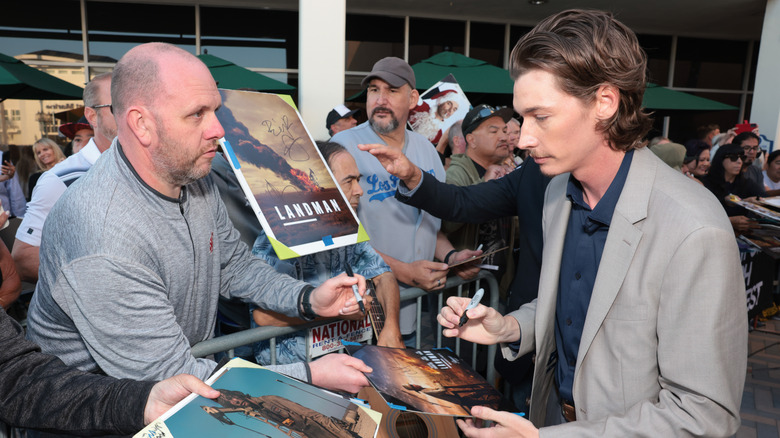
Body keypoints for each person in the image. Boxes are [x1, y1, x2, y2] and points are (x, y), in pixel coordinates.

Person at [360, 9, 746, 436]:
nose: (522, 139)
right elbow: (577, 306)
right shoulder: (559, 192)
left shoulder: (694, 230)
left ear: (605, 102)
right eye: (523, 119)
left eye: (540, 117)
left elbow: (703, 416)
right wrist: (510, 326)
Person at [25, 43, 370, 396]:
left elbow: (234, 266)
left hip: (172, 387)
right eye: (197, 114)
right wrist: (309, 376)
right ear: (141, 124)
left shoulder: (191, 173)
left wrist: (308, 299)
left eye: (216, 111)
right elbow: (174, 376)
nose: (219, 129)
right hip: (97, 414)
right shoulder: (103, 234)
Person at [331, 56, 480, 347]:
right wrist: (404, 272)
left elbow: (428, 222)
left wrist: (450, 256)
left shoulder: (426, 151)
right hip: (356, 312)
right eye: (374, 90)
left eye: (392, 90)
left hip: (411, 310)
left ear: (413, 98)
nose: (380, 99)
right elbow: (338, 237)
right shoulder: (344, 148)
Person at [251, 141, 403, 365]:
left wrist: (391, 326)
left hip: (341, 364)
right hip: (294, 374)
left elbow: (383, 275)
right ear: (318, 186)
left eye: (358, 180)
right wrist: (337, 311)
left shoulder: (348, 229)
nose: (359, 190)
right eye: (349, 181)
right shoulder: (278, 238)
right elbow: (262, 317)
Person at [12, 72, 116, 283]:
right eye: (118, 106)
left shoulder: (161, 169)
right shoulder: (60, 179)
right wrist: (106, 283)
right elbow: (24, 259)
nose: (134, 113)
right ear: (93, 116)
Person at [700, 144, 763, 233]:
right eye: (733, 157)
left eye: (742, 157)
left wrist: (753, 203)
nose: (739, 161)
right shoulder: (705, 182)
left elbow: (765, 199)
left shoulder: (746, 183)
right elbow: (703, 214)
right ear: (721, 159)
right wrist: (730, 220)